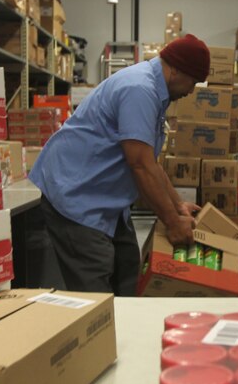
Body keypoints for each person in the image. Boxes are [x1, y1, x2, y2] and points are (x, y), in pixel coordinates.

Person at [29, 34, 210, 296]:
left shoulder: (156, 93)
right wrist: (172, 222)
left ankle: (123, 330)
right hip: (76, 195)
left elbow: (151, 163)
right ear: (175, 70)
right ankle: (99, 331)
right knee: (95, 281)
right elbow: (139, 164)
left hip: (105, 197)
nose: (191, 90)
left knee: (127, 265)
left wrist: (176, 204)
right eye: (192, 81)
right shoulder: (140, 89)